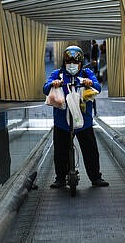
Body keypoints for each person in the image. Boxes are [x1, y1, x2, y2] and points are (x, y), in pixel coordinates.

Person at [43, 45, 109, 188]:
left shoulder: (86, 73)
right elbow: (45, 88)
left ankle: (95, 177)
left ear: (80, 63)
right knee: (60, 151)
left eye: (75, 62)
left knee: (90, 150)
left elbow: (97, 87)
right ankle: (60, 178)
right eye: (69, 62)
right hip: (62, 122)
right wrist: (54, 84)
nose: (72, 65)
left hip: (83, 121)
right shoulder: (58, 74)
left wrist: (90, 82)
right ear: (64, 63)